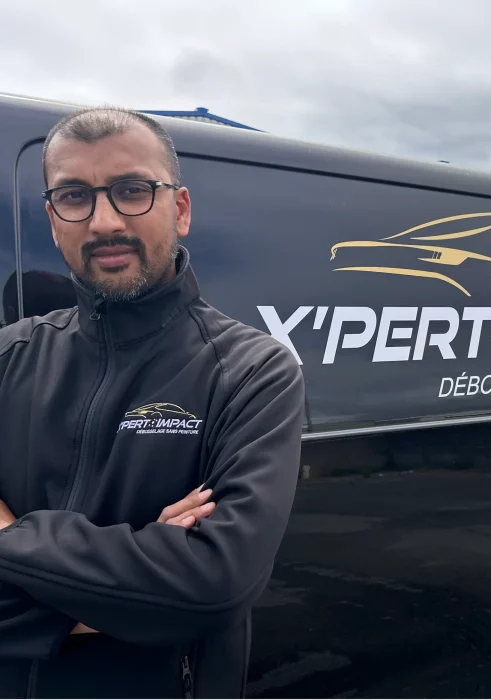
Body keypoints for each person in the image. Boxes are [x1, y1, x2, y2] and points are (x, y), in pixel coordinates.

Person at [0, 107, 305, 699]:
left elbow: (211, 585)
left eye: (132, 191)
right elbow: (168, 589)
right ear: (52, 218)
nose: (104, 221)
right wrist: (117, 599)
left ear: (181, 209)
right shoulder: (8, 356)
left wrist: (7, 539)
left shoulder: (251, 371)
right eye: (74, 196)